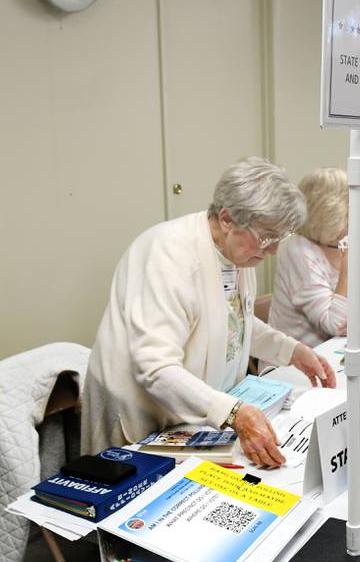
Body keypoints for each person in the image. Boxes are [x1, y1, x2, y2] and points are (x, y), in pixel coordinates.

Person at [81, 157, 337, 468]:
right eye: (268, 237)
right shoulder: (168, 256)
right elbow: (155, 367)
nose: (273, 251)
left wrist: (292, 350)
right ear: (228, 218)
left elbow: (233, 322)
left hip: (191, 420)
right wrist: (232, 413)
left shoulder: (236, 253)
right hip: (140, 421)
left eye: (279, 238)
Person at [268, 167, 360, 348]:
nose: (353, 221)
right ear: (326, 214)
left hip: (338, 352)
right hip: (295, 366)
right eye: (347, 214)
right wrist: (349, 267)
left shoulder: (345, 239)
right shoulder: (298, 250)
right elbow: (336, 324)